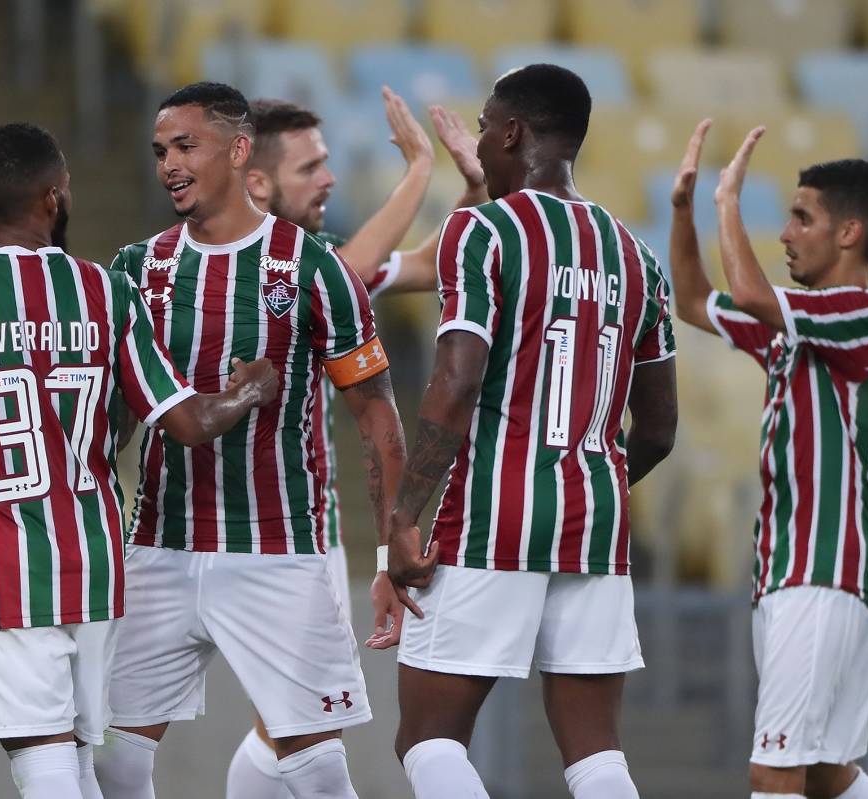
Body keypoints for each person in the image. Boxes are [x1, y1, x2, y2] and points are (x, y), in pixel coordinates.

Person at [0, 122, 277, 799]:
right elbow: (187, 423)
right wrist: (249, 390)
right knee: (78, 756)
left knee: (42, 756)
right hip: (97, 563)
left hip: (8, 565)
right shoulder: (107, 291)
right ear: (53, 196)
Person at [92, 82, 408, 799]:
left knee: (315, 768)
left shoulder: (312, 267)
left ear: (239, 151)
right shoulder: (136, 269)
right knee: (112, 758)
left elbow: (378, 419)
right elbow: (116, 417)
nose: (170, 164)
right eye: (160, 151)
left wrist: (391, 551)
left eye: (186, 145)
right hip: (159, 547)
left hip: (276, 553)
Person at [381, 63, 679, 799]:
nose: (480, 143)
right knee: (596, 755)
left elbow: (457, 381)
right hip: (597, 521)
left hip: (494, 513)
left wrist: (404, 515)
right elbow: (659, 428)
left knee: (428, 738)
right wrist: (589, 477)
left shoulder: (481, 229)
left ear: (512, 132)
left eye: (485, 127)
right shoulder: (637, 256)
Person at [223, 90, 489, 799]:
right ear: (257, 181)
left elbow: (429, 264)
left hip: (298, 531)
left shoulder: (314, 267)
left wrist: (472, 191)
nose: (329, 179)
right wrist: (419, 170)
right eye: (310, 167)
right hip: (257, 538)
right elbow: (351, 269)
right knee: (308, 731)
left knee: (288, 728)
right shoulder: (244, 270)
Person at [669, 121, 868, 799]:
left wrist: (727, 203)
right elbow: (694, 300)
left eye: (802, 218)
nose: (785, 234)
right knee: (827, 774)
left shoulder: (864, 314)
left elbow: (748, 293)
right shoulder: (798, 326)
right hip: (797, 569)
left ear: (849, 233)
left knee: (775, 771)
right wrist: (683, 210)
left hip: (822, 568)